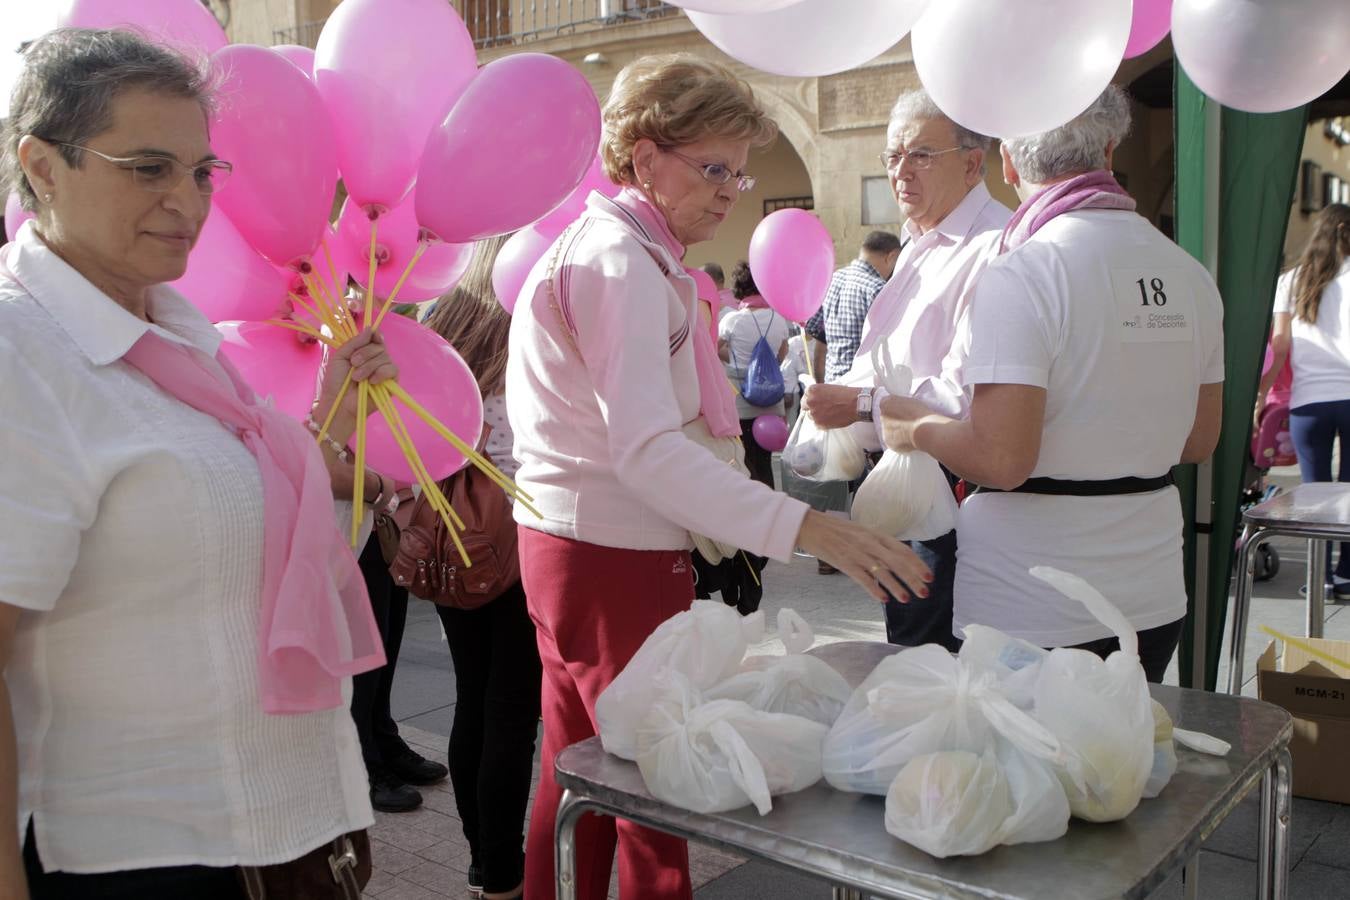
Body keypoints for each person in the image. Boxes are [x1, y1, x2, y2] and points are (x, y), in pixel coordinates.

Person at [506, 53, 932, 900]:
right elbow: (647, 448)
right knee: (658, 777)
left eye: (737, 175)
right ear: (642, 154)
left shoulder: (628, 251)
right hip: (609, 551)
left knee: (579, 767)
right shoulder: (620, 264)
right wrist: (808, 524)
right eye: (713, 169)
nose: (728, 190)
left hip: (582, 543)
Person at [0, 29, 399, 898]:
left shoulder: (181, 338)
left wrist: (330, 425)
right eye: (147, 167)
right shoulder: (20, 350)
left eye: (201, 171)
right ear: (43, 166)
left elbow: (249, 543)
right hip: (134, 856)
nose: (187, 201)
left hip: (275, 835)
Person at [875, 86, 1224, 682]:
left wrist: (914, 425)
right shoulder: (1187, 272)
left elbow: (1002, 460)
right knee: (1120, 766)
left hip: (1033, 601)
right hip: (1150, 590)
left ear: (1006, 162)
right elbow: (1196, 441)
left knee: (1026, 771)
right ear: (1110, 150)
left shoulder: (1025, 273)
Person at [802, 88, 1012, 648]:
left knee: (932, 659)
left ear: (973, 162)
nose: (901, 171)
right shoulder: (919, 243)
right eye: (892, 156)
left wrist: (862, 404)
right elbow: (885, 360)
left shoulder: (994, 247)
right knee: (908, 653)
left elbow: (971, 398)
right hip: (902, 483)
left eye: (919, 154)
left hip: (950, 492)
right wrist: (840, 398)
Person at [422, 236, 541, 900]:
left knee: (475, 697)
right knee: (511, 710)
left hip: (452, 527)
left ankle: (484, 861)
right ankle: (500, 872)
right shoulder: (532, 322)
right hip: (523, 532)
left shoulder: (444, 322)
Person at [1258, 203, 1350, 595]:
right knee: (1348, 489)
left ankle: (1318, 578)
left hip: (1308, 402)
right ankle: (1345, 573)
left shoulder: (1291, 281)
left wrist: (1261, 394)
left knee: (1314, 493)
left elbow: (1279, 345)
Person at [718, 260, 791, 488]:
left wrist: (735, 361)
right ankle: (771, 502)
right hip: (771, 402)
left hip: (741, 399)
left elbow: (713, 349)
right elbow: (781, 354)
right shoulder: (779, 319)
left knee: (745, 460)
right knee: (766, 461)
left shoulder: (732, 320)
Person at [805, 230, 903, 383]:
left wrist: (820, 384)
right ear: (891, 257)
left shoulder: (832, 280)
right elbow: (891, 345)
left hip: (832, 383)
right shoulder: (878, 288)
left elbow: (818, 338)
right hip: (861, 389)